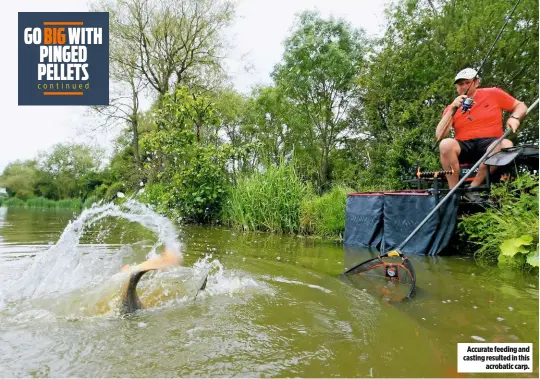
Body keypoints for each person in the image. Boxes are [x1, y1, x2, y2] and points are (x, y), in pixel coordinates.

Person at [435, 68, 527, 200]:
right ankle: (453, 193)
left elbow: (520, 106)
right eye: (460, 84)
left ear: (477, 82)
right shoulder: (452, 107)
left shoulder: (493, 93)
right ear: (456, 87)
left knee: (506, 144)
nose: (464, 87)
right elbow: (439, 136)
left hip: (490, 143)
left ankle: (473, 188)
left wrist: (515, 117)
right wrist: (452, 110)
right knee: (445, 144)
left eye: (467, 82)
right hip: (464, 146)